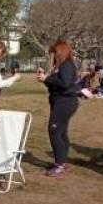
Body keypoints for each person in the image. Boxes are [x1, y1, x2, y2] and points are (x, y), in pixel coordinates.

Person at [36, 40, 79, 177]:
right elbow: (55, 84)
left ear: (59, 52)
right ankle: (63, 162)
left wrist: (47, 79)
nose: (52, 55)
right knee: (61, 132)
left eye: (54, 52)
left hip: (65, 103)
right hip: (61, 101)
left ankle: (60, 164)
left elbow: (64, 83)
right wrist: (45, 79)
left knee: (54, 131)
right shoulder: (61, 65)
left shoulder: (67, 65)